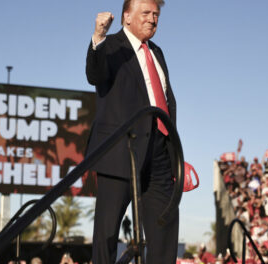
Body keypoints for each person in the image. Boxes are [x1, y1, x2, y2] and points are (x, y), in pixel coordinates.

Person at [85, 0, 179, 263]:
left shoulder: (157, 52)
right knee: (107, 232)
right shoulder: (111, 46)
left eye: (156, 14)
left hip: (160, 154)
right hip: (121, 150)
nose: (152, 19)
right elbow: (95, 73)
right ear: (127, 16)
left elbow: (166, 101)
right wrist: (98, 36)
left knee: (165, 230)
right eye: (146, 13)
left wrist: (175, 155)